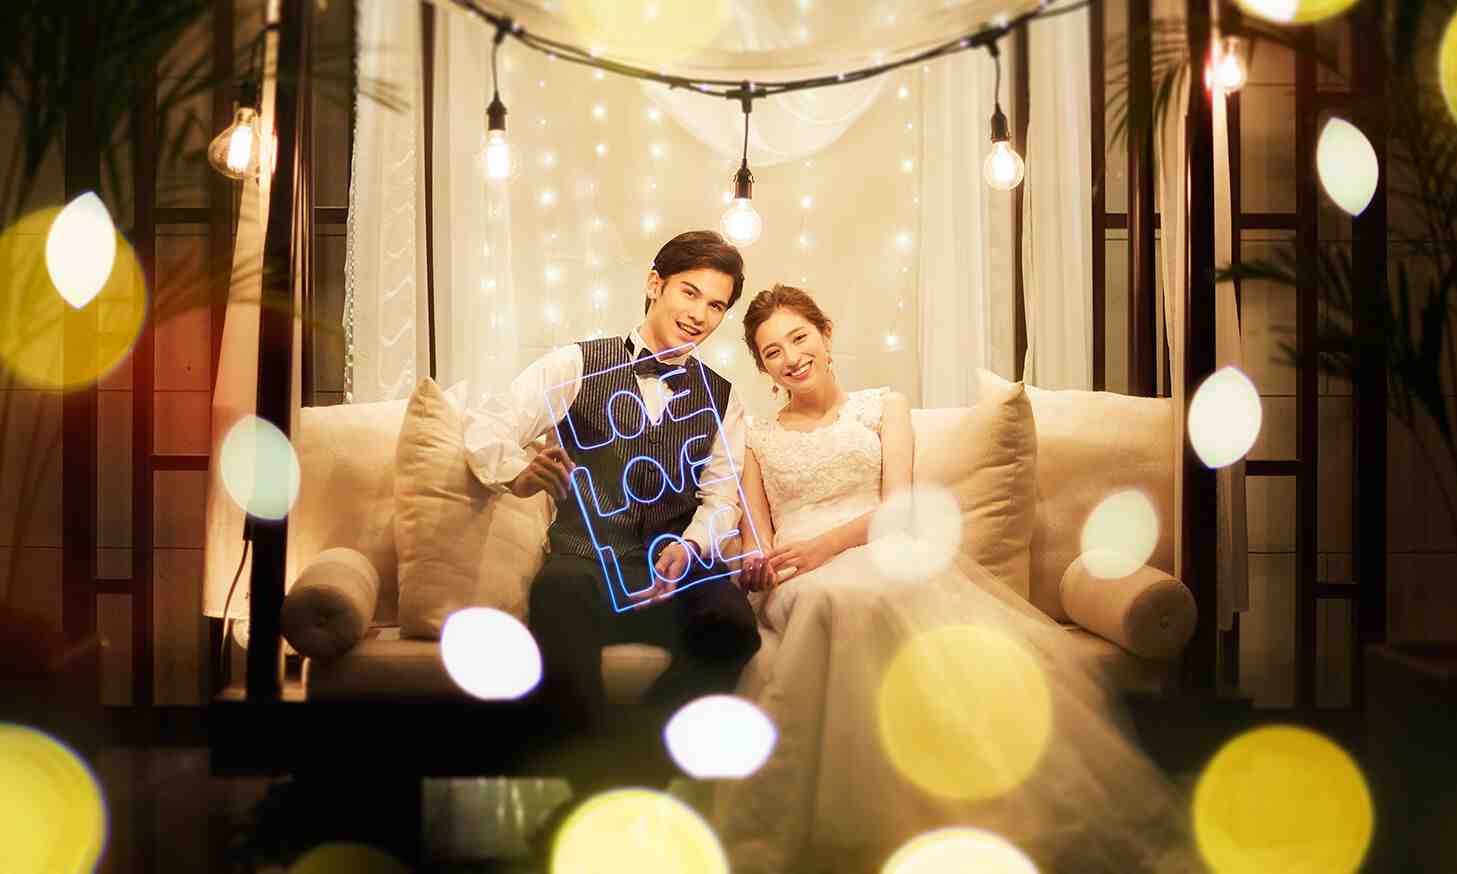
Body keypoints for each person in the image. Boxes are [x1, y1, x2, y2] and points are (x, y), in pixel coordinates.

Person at [714, 284, 1201, 874]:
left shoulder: (883, 407)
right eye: (773, 351)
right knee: (831, 599)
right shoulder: (756, 436)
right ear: (763, 367)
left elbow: (897, 507)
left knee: (876, 594)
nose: (791, 357)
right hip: (796, 574)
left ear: (826, 335)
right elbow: (757, 531)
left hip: (873, 546)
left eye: (799, 338)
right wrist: (758, 561)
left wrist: (823, 548)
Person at [463, 230, 761, 740]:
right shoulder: (574, 364)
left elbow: (721, 499)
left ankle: (639, 756)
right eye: (689, 292)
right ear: (655, 284)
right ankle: (587, 763)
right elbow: (488, 429)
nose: (699, 314)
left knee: (734, 627)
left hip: (676, 574)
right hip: (586, 567)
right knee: (557, 595)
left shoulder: (723, 397)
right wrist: (518, 474)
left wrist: (691, 547)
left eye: (715, 306)